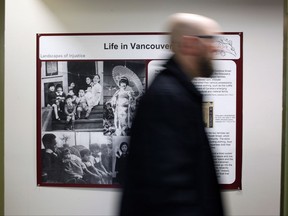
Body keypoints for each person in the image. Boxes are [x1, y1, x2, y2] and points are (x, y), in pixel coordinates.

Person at [119, 13, 224, 216]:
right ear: (190, 44)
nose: (217, 47)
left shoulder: (177, 91)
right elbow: (169, 193)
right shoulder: (168, 96)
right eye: (211, 39)